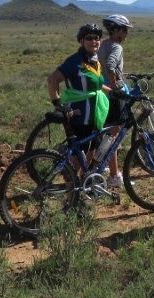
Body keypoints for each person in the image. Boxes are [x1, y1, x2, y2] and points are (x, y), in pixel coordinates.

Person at [46, 23, 115, 180]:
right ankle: (70, 192)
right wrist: (58, 105)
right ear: (81, 41)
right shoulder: (74, 62)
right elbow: (52, 81)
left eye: (97, 38)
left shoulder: (94, 61)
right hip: (79, 114)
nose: (94, 41)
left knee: (93, 146)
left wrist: (114, 92)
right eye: (89, 38)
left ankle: (85, 181)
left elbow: (97, 86)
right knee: (79, 154)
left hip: (95, 113)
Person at [96, 14, 134, 189]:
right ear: (117, 30)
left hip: (100, 92)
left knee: (106, 133)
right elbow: (110, 66)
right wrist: (115, 87)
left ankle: (102, 165)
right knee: (114, 134)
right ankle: (113, 176)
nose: (126, 34)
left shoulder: (103, 44)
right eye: (125, 30)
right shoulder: (116, 47)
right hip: (111, 94)